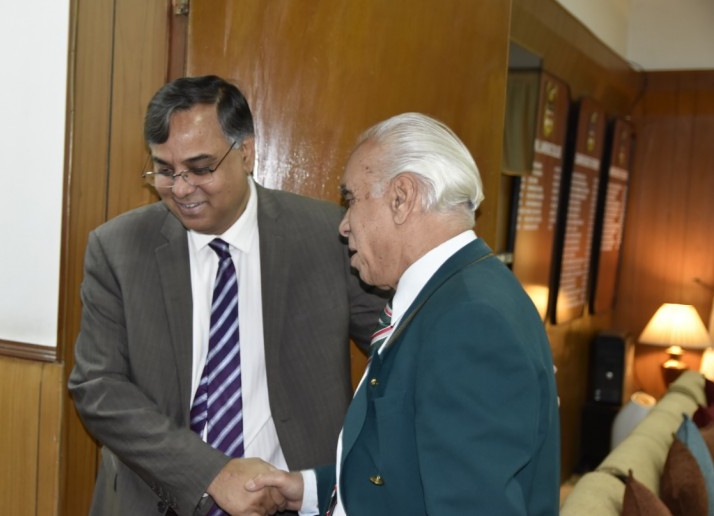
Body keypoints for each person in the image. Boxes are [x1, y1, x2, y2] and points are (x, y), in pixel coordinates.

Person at [68, 75, 385, 516]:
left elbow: (397, 351)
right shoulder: (117, 248)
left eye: (200, 168)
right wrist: (211, 473)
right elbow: (98, 387)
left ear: (247, 152)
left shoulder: (327, 237)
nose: (181, 188)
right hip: (155, 499)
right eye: (165, 170)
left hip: (289, 501)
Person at [246, 113, 561, 515]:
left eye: (352, 200)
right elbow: (408, 471)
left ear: (401, 198)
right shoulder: (453, 294)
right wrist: (309, 490)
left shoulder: (470, 322)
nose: (344, 225)